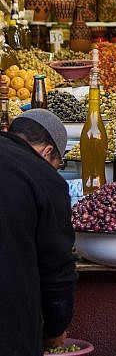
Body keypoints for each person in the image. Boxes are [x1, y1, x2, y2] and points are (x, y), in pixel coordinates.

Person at [0, 109, 76, 355]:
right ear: (48, 153)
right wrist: (55, 329)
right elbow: (56, 269)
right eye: (57, 165)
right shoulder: (44, 179)